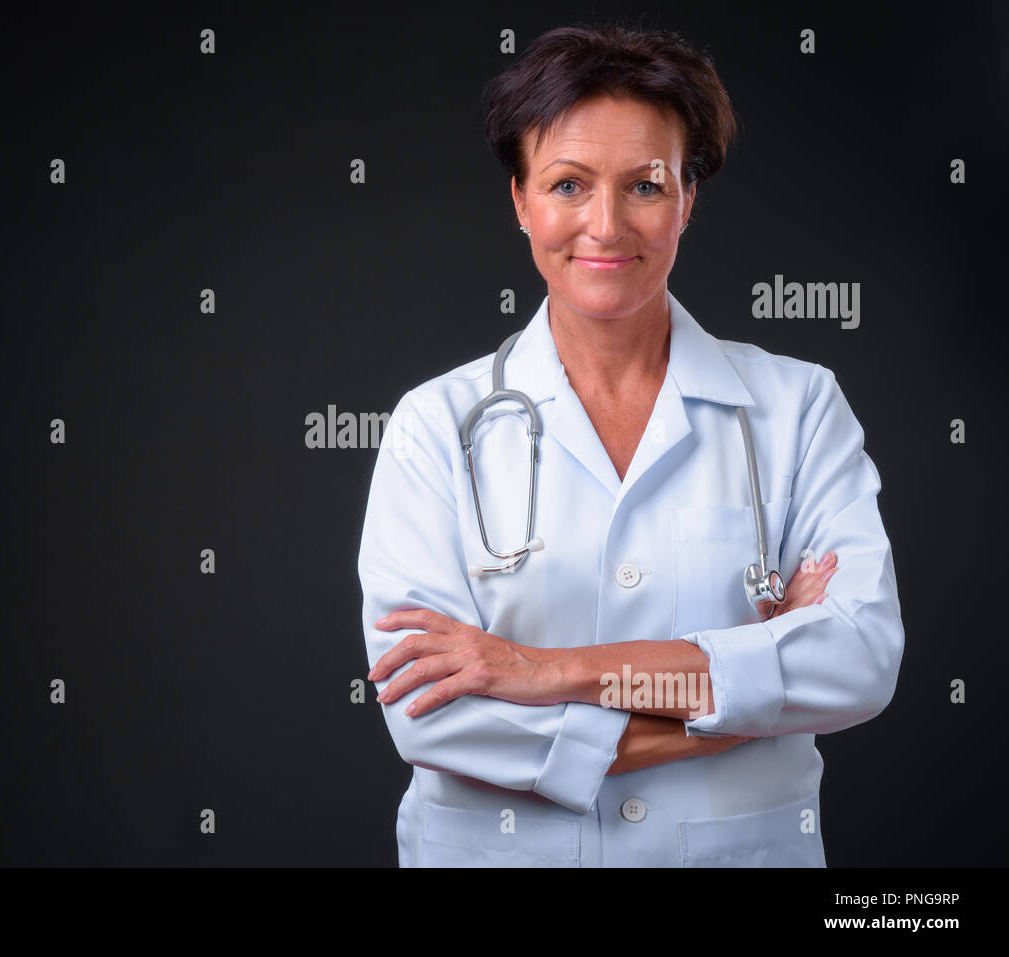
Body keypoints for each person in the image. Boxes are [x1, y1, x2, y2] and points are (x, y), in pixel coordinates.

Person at [356, 22, 904, 867]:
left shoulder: (797, 406)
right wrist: (746, 701)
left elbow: (859, 660)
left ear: (689, 195)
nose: (606, 226)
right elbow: (436, 714)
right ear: (520, 200)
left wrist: (543, 671)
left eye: (645, 185)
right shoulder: (435, 426)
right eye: (568, 184)